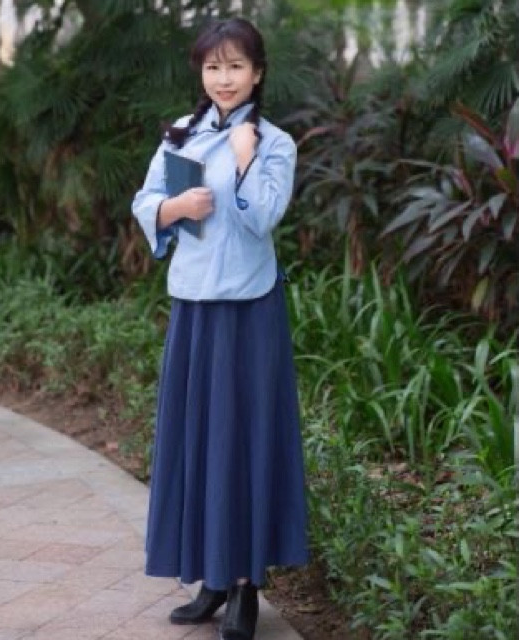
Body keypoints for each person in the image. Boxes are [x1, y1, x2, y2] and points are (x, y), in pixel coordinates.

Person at [131, 16, 308, 640]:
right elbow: (146, 201)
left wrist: (243, 159)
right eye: (213, 66)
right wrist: (174, 207)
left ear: (257, 73)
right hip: (193, 309)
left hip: (250, 312)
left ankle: (244, 587)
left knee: (244, 440)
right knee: (199, 440)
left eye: (236, 66)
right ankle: (209, 579)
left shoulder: (275, 143)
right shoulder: (180, 135)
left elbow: (263, 217)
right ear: (201, 74)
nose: (224, 78)